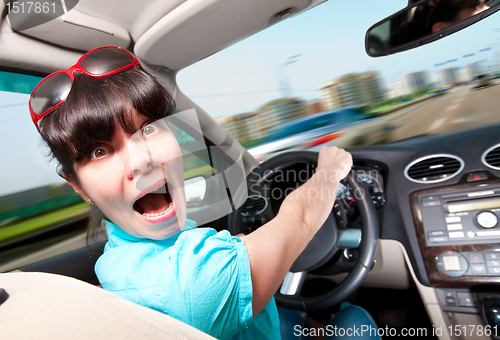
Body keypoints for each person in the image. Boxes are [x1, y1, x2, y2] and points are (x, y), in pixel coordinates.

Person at [29, 46, 378, 339]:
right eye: (99, 151)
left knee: (297, 320)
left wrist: (239, 245)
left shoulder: (119, 261)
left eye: (149, 128)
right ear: (77, 186)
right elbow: (300, 217)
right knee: (354, 321)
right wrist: (331, 170)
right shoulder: (189, 285)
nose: (142, 161)